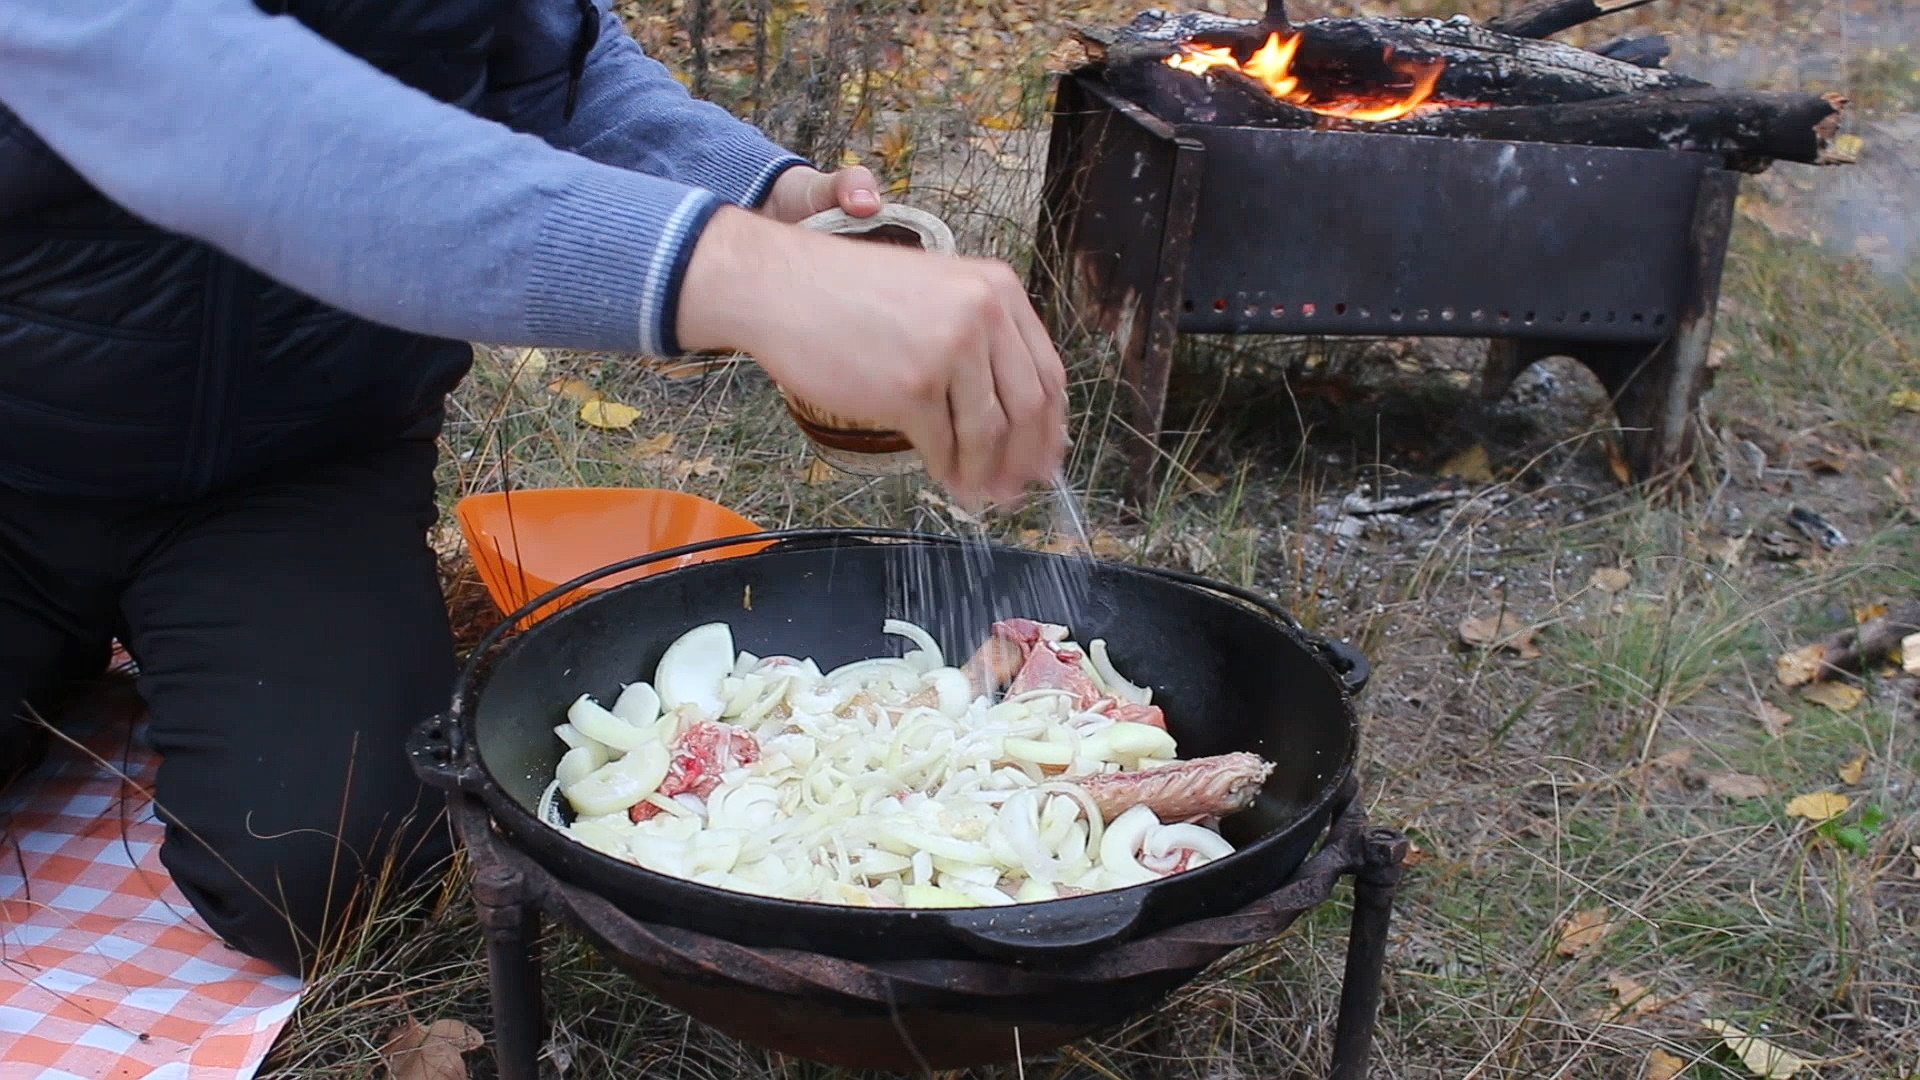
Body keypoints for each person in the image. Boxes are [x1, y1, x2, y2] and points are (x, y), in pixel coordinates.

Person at [0, 0, 1068, 977]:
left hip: (295, 462)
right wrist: (741, 275)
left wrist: (768, 199)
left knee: (328, 875)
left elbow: (547, 62)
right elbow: (170, 86)